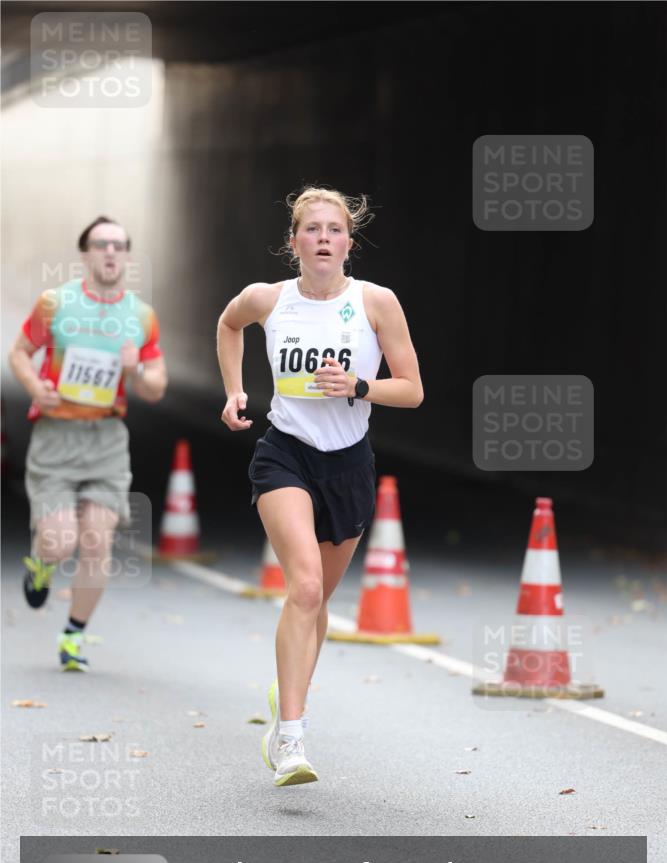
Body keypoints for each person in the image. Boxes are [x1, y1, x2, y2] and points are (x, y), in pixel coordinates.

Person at [217, 186, 423, 787]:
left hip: (349, 464)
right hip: (285, 454)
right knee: (304, 586)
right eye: (313, 229)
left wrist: (360, 386)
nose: (324, 237)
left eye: (335, 229)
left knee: (318, 602)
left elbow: (411, 388)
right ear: (295, 242)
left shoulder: (376, 303)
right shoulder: (268, 299)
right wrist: (235, 389)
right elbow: (230, 325)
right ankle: (291, 740)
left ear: (348, 243)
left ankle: (288, 695)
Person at [9, 216, 167, 671]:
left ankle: (74, 636)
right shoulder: (54, 304)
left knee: (97, 540)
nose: (111, 252)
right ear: (86, 254)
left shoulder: (140, 316)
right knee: (60, 541)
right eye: (101, 245)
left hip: (106, 439)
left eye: (118, 245)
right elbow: (19, 353)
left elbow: (157, 384)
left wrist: (136, 369)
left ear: (127, 256)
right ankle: (41, 564)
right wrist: (36, 388)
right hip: (57, 437)